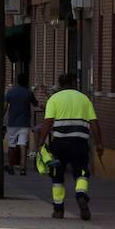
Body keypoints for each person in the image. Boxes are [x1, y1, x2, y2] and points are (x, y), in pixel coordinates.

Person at [36, 72, 104, 221]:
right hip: (79, 143)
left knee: (57, 176)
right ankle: (81, 195)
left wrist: (40, 143)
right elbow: (94, 123)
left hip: (59, 143)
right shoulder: (84, 99)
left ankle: (58, 210)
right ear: (74, 83)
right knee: (81, 173)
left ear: (60, 84)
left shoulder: (54, 99)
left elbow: (47, 122)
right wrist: (99, 143)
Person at [4, 72, 38, 176]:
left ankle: (11, 167)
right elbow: (35, 103)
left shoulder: (10, 92)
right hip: (24, 122)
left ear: (17, 81)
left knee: (11, 145)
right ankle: (23, 168)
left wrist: (2, 117)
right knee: (23, 145)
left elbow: (5, 107)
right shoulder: (28, 93)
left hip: (12, 122)